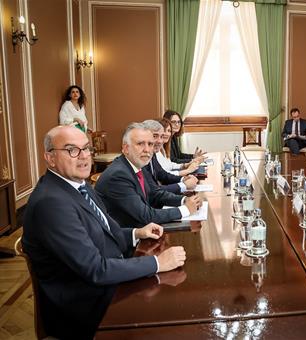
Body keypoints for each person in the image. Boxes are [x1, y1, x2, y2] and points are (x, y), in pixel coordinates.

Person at [22, 126, 187, 338]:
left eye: (86, 149)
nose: (83, 157)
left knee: (170, 299)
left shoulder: (79, 185)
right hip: (85, 303)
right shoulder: (51, 203)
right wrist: (157, 263)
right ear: (50, 158)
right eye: (72, 150)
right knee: (168, 314)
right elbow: (95, 270)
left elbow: (109, 230)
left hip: (105, 281)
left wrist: (136, 233)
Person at [95, 123, 202, 228]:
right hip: (126, 239)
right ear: (126, 148)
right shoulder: (118, 175)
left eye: (150, 144)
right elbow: (145, 216)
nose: (147, 150)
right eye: (140, 143)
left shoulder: (137, 165)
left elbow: (155, 194)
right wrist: (186, 209)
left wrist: (184, 200)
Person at [142, 119, 198, 193]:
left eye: (161, 136)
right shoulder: (141, 158)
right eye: (155, 136)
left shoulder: (152, 154)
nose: (159, 141)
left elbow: (162, 174)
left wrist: (183, 179)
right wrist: (184, 185)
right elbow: (152, 191)